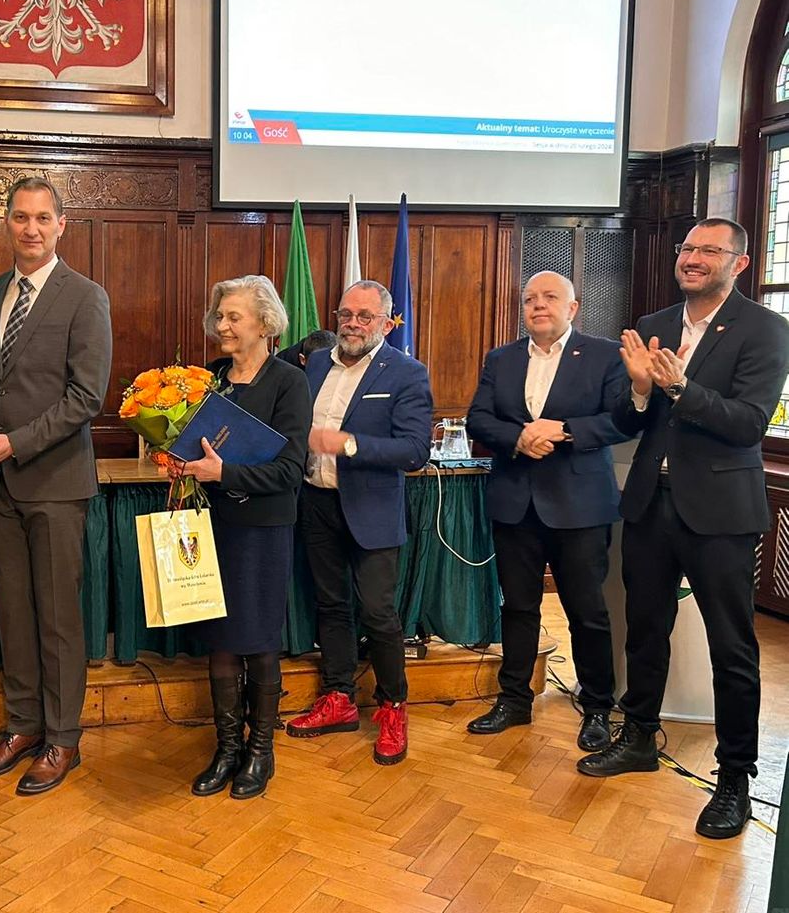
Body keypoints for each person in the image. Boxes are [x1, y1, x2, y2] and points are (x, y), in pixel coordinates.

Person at [577, 218, 789, 841]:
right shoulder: (656, 323)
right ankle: (639, 737)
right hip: (651, 503)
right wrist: (642, 392)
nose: (693, 258)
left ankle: (735, 780)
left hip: (720, 511)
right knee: (645, 632)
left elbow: (748, 423)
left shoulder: (765, 328)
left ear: (739, 263)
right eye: (688, 248)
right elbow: (627, 419)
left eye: (709, 251)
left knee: (732, 648)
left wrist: (681, 386)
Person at [0, 176, 112, 796]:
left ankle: (63, 738)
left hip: (54, 484)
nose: (31, 228)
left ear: (61, 225)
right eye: (21, 217)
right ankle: (22, 726)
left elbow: (86, 397)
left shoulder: (86, 296)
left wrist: (16, 443)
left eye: (43, 218)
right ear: (7, 222)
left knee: (57, 619)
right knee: (14, 614)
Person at [466, 271, 628, 750]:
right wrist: (518, 438)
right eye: (530, 298)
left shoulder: (604, 355)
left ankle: (596, 707)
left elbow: (622, 420)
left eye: (550, 297)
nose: (538, 305)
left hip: (580, 506)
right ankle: (515, 699)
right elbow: (479, 418)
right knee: (517, 607)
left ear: (573, 308)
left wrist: (565, 430)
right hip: (515, 502)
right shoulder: (502, 358)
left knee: (586, 612)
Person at [285, 281, 432, 765]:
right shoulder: (315, 364)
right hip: (316, 503)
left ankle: (393, 708)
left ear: (386, 323)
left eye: (364, 316)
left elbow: (415, 451)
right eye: (345, 314)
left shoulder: (406, 372)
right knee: (330, 606)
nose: (352, 323)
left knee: (378, 614)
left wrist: (348, 443)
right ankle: (339, 698)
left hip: (371, 510)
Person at [177, 275, 311, 799]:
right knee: (221, 639)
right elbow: (194, 445)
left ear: (265, 323)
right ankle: (227, 748)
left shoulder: (289, 382)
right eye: (220, 316)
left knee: (257, 641)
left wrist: (223, 473)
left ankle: (261, 751)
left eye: (234, 316)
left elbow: (290, 470)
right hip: (214, 524)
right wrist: (178, 461)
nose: (223, 325)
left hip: (263, 530)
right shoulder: (210, 377)